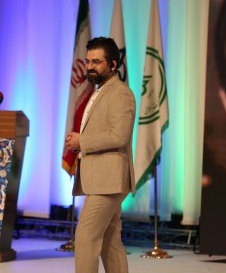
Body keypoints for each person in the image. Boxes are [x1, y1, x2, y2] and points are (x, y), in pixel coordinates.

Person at [65, 36, 136, 273]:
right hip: (101, 180)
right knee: (109, 242)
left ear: (113, 65)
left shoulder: (120, 93)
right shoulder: (100, 91)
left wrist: (82, 141)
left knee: (85, 236)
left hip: (109, 181)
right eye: (87, 61)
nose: (89, 66)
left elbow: (119, 136)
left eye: (96, 62)